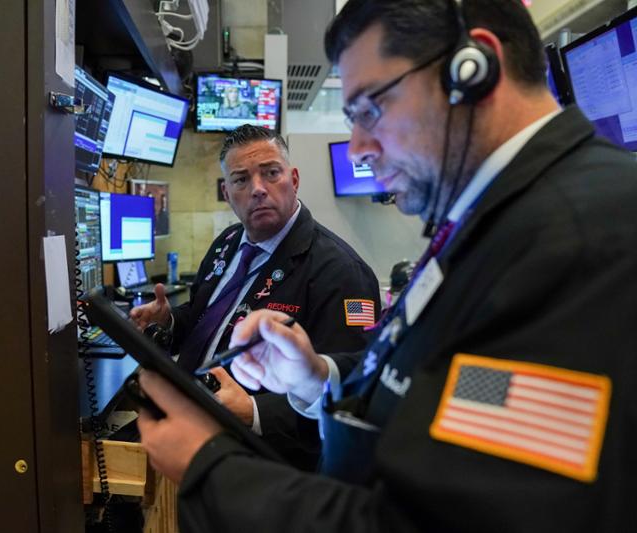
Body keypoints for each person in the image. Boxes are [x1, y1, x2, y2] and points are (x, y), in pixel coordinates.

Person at [136, 0, 637, 531]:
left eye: (370, 108)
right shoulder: (498, 219)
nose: (357, 148)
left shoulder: (585, 234)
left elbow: (439, 521)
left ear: (473, 71)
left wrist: (208, 467)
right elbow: (455, 387)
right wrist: (317, 378)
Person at [130, 124, 380, 469]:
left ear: (294, 179)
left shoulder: (341, 271)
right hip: (189, 426)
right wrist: (169, 321)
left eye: (271, 173)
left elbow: (351, 388)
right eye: (241, 179)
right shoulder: (228, 243)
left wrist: (255, 411)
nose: (258, 189)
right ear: (227, 192)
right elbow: (206, 319)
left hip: (260, 457)